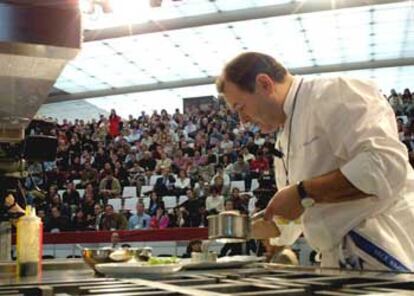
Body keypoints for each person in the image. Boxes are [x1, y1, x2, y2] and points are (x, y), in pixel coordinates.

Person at [216, 52, 414, 271]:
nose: (242, 121)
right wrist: (272, 230)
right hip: (337, 259)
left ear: (264, 84)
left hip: (383, 246)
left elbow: (385, 165)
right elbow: (302, 210)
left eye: (240, 108)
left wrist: (303, 193)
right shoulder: (283, 140)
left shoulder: (333, 93)